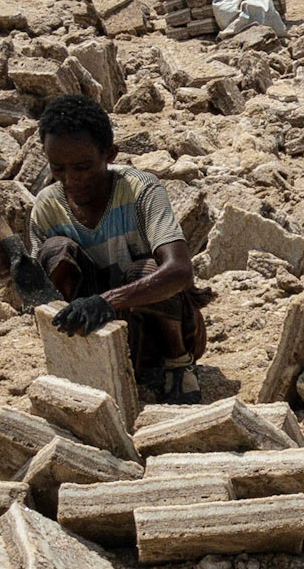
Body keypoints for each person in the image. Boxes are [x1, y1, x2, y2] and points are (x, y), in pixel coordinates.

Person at [24, 93, 209, 404]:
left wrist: (105, 302)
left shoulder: (141, 190)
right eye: (58, 169)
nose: (71, 180)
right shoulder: (47, 206)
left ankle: (177, 368)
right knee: (55, 251)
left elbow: (179, 271)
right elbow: (37, 297)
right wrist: (14, 274)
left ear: (109, 154)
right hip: (96, 332)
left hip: (157, 331)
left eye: (82, 166)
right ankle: (78, 358)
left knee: (148, 268)